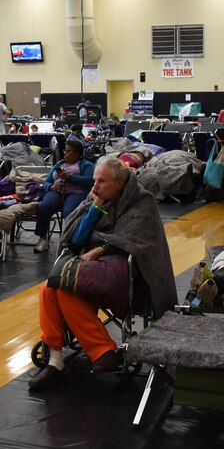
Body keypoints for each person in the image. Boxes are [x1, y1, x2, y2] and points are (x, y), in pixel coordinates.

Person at [29, 156, 177, 391]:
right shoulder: (94, 198)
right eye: (95, 180)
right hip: (87, 269)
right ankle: (60, 361)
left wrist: (101, 249)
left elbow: (140, 244)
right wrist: (94, 209)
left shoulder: (142, 202)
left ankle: (97, 352)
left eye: (102, 181)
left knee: (62, 285)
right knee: (50, 288)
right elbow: (75, 240)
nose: (95, 186)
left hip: (127, 272)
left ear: (119, 183)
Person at [34, 139, 95, 253]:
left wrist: (70, 178)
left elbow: (90, 181)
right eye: (65, 151)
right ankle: (42, 238)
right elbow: (46, 181)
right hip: (57, 192)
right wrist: (51, 187)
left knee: (70, 211)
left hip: (76, 193)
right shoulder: (59, 164)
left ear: (77, 153)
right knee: (44, 207)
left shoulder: (86, 165)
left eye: (68, 151)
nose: (65, 153)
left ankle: (69, 240)